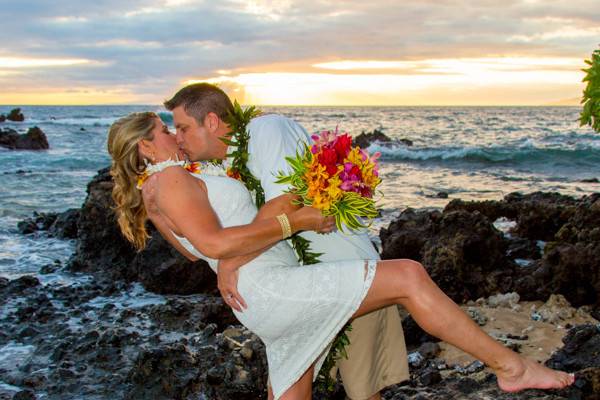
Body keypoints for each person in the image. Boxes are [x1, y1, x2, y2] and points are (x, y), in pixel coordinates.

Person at [107, 112, 575, 400]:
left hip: (260, 292)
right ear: (147, 146)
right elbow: (212, 246)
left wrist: (231, 257)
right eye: (163, 129)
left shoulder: (155, 190)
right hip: (271, 287)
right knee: (409, 275)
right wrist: (300, 222)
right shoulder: (170, 180)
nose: (173, 134)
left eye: (176, 125)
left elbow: (199, 255)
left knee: (290, 391)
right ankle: (512, 368)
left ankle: (514, 369)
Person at [164, 83, 409, 400]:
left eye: (182, 128)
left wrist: (232, 261)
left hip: (344, 265)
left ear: (211, 121)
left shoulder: (267, 130)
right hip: (300, 287)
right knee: (289, 387)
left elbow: (287, 201)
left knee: (362, 390)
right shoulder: (224, 167)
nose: (178, 138)